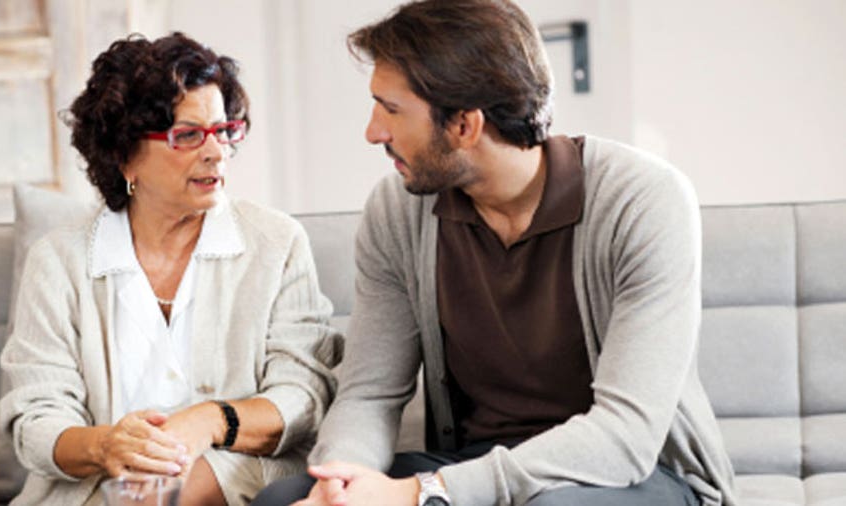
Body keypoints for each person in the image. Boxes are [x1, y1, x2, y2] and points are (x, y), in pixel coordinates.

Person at [253, 1, 737, 505]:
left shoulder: (643, 200)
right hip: (477, 462)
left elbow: (625, 435)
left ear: (465, 125)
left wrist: (423, 494)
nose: (374, 131)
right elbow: (369, 392)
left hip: (630, 476)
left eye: (392, 110)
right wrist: (339, 483)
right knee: (284, 500)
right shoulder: (397, 212)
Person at [0, 32, 342, 506]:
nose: (216, 151)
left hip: (233, 477)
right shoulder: (58, 261)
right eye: (188, 135)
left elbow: (303, 396)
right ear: (123, 154)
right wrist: (106, 446)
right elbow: (36, 420)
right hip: (95, 490)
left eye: (224, 131)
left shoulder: (276, 243)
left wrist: (206, 421)